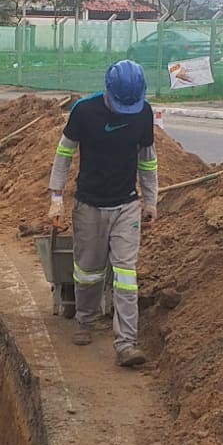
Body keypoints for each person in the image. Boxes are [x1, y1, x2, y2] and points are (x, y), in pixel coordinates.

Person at [47, 60, 158, 368]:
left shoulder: (143, 113)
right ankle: (85, 320)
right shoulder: (84, 111)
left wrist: (151, 201)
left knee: (126, 274)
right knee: (88, 269)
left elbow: (148, 161)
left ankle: (126, 343)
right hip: (89, 204)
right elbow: (64, 154)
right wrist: (56, 196)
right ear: (108, 91)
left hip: (126, 205)